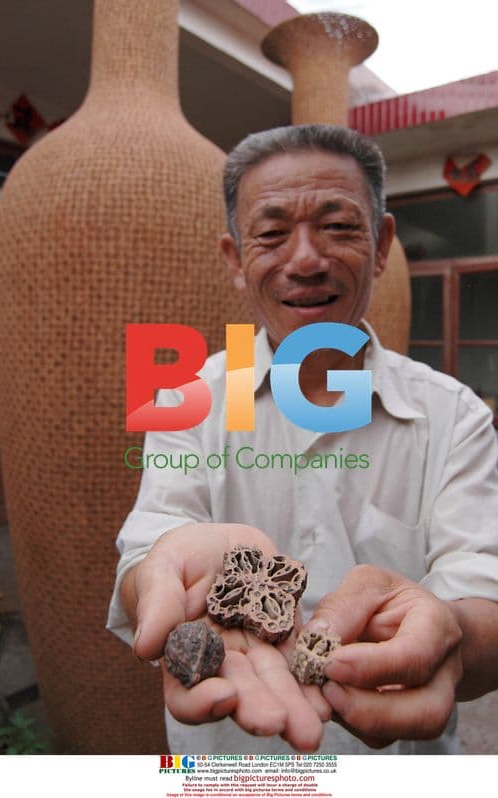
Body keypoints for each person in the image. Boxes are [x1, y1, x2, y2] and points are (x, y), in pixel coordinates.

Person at [107, 125, 498, 755]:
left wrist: (450, 633)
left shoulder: (451, 417)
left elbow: (485, 591)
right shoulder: (192, 395)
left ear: (380, 246)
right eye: (271, 232)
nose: (306, 259)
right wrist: (161, 574)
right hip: (228, 760)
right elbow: (151, 544)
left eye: (339, 226)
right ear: (236, 260)